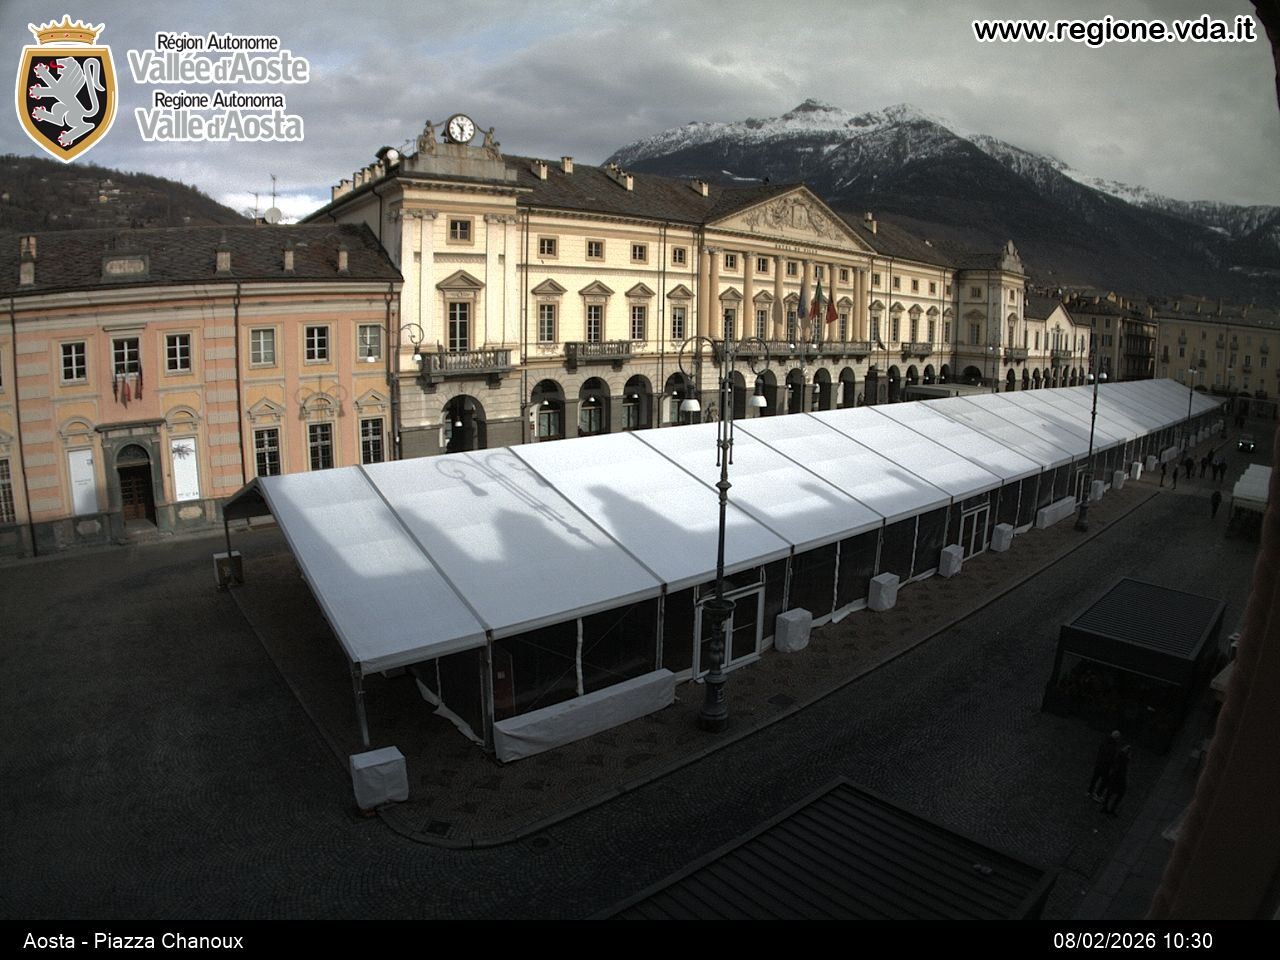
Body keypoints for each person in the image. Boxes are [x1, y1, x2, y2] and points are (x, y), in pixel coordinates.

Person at [1089, 730, 1121, 801]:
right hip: (1105, 765)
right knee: (1104, 781)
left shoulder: (1105, 741)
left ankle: (1089, 791)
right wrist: (1113, 766)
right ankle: (1097, 794)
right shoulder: (1113, 746)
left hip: (1099, 762)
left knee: (1095, 778)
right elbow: (1111, 757)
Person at [1101, 744, 1131, 816]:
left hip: (1114, 779)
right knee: (1119, 795)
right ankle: (1112, 809)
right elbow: (1122, 772)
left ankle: (1105, 807)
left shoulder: (1118, 757)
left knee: (1109, 794)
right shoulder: (1124, 762)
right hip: (1119, 781)